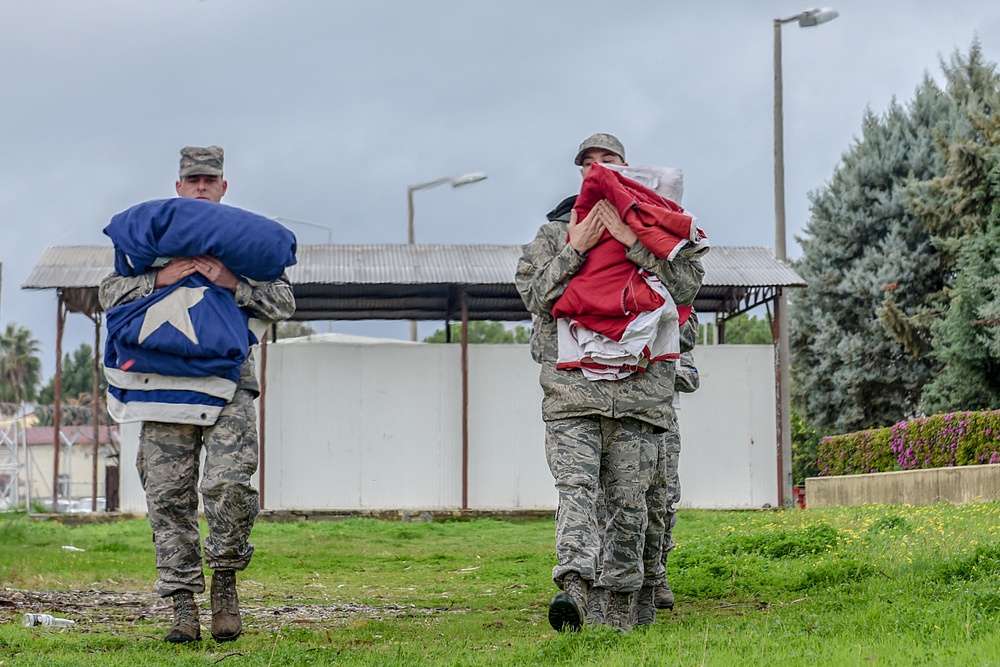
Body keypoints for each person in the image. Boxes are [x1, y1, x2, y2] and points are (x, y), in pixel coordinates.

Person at [98, 146, 296, 643]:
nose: (202, 186)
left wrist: (230, 281)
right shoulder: (153, 243)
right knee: (169, 497)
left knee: (230, 486)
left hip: (228, 385)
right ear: (179, 187)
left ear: (224, 186)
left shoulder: (243, 245)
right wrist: (160, 278)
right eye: (193, 179)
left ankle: (224, 584)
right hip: (161, 387)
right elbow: (106, 295)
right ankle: (183, 607)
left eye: (210, 179)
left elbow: (284, 301)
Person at [515, 133, 705, 632]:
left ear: (628, 167)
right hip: (573, 396)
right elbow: (534, 295)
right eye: (588, 162)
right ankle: (574, 586)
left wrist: (632, 242)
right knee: (576, 490)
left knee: (630, 505)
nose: (596, 167)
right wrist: (576, 248)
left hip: (640, 398)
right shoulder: (553, 234)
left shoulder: (658, 224)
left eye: (608, 160)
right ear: (579, 172)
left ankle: (623, 611)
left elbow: (686, 288)